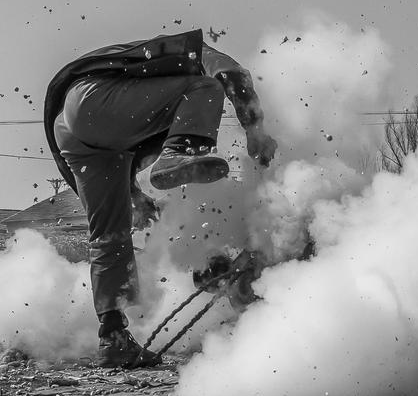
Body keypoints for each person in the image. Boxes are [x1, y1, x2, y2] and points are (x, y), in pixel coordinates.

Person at [44, 29, 277, 368]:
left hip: (71, 129)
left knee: (111, 235)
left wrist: (135, 195)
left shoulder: (150, 97)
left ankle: (113, 337)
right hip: (93, 99)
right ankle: (180, 152)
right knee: (207, 88)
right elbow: (233, 76)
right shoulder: (196, 54)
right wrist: (256, 130)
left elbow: (121, 141)